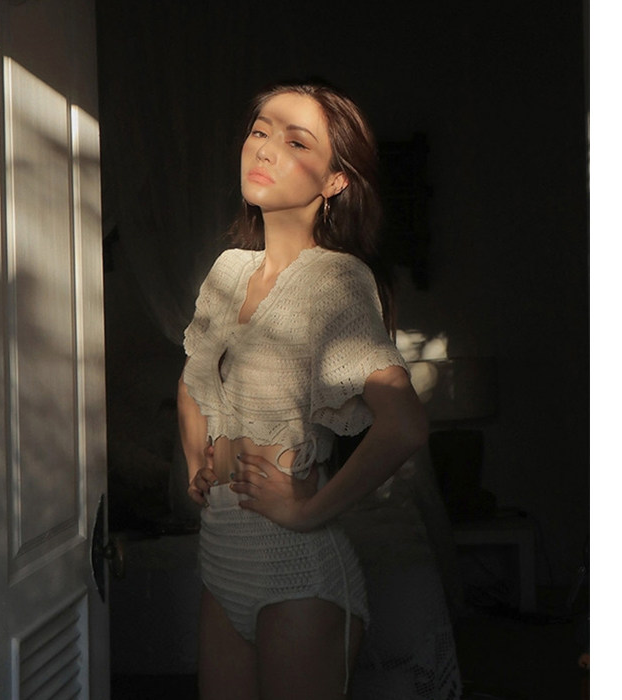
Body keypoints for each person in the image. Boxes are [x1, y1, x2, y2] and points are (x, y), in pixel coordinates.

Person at [177, 81, 429, 700]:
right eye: (259, 131)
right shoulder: (228, 270)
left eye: (296, 142)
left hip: (299, 572)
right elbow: (190, 382)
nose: (264, 149)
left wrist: (310, 511)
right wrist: (194, 463)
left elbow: (403, 425)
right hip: (220, 556)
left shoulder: (335, 281)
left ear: (335, 181)